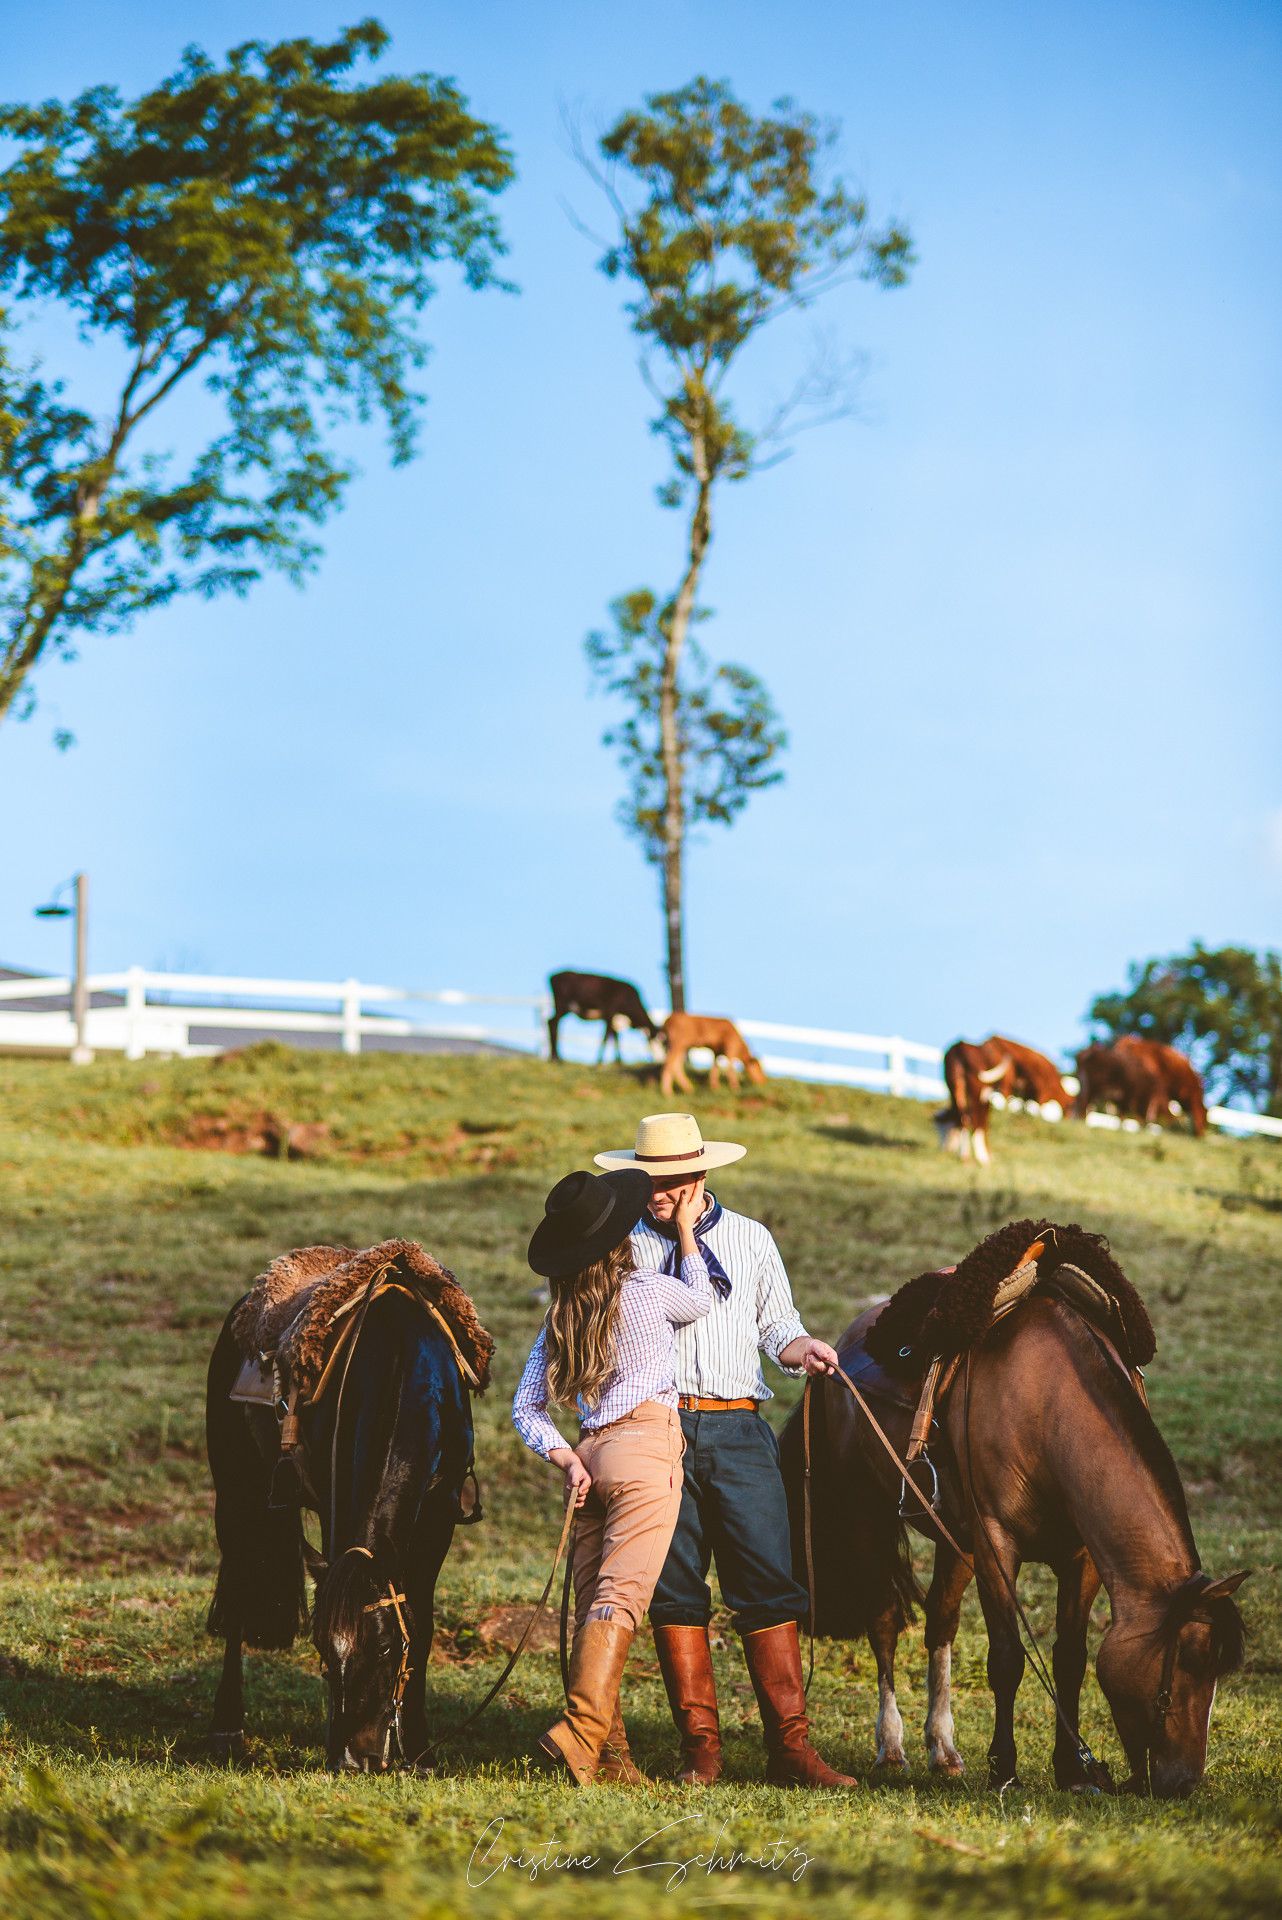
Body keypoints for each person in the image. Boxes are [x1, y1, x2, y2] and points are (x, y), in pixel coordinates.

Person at [595, 1112, 857, 1789]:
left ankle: (791, 1750)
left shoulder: (750, 1239)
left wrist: (805, 1349)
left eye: (672, 1181)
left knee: (768, 1582)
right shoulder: (621, 1247)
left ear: (701, 1173)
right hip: (656, 1430)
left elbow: (778, 1326)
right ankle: (701, 1752)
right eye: (649, 1180)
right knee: (675, 1590)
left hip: (738, 1428)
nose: (659, 1192)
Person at [512, 1165, 712, 1786]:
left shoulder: (561, 1316)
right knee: (620, 1600)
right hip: (646, 1449)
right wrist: (687, 1230)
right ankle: (578, 1733)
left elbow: (525, 1408)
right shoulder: (648, 1290)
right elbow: (702, 1298)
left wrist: (566, 1457)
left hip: (590, 1459)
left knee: (592, 1604)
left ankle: (608, 1757)